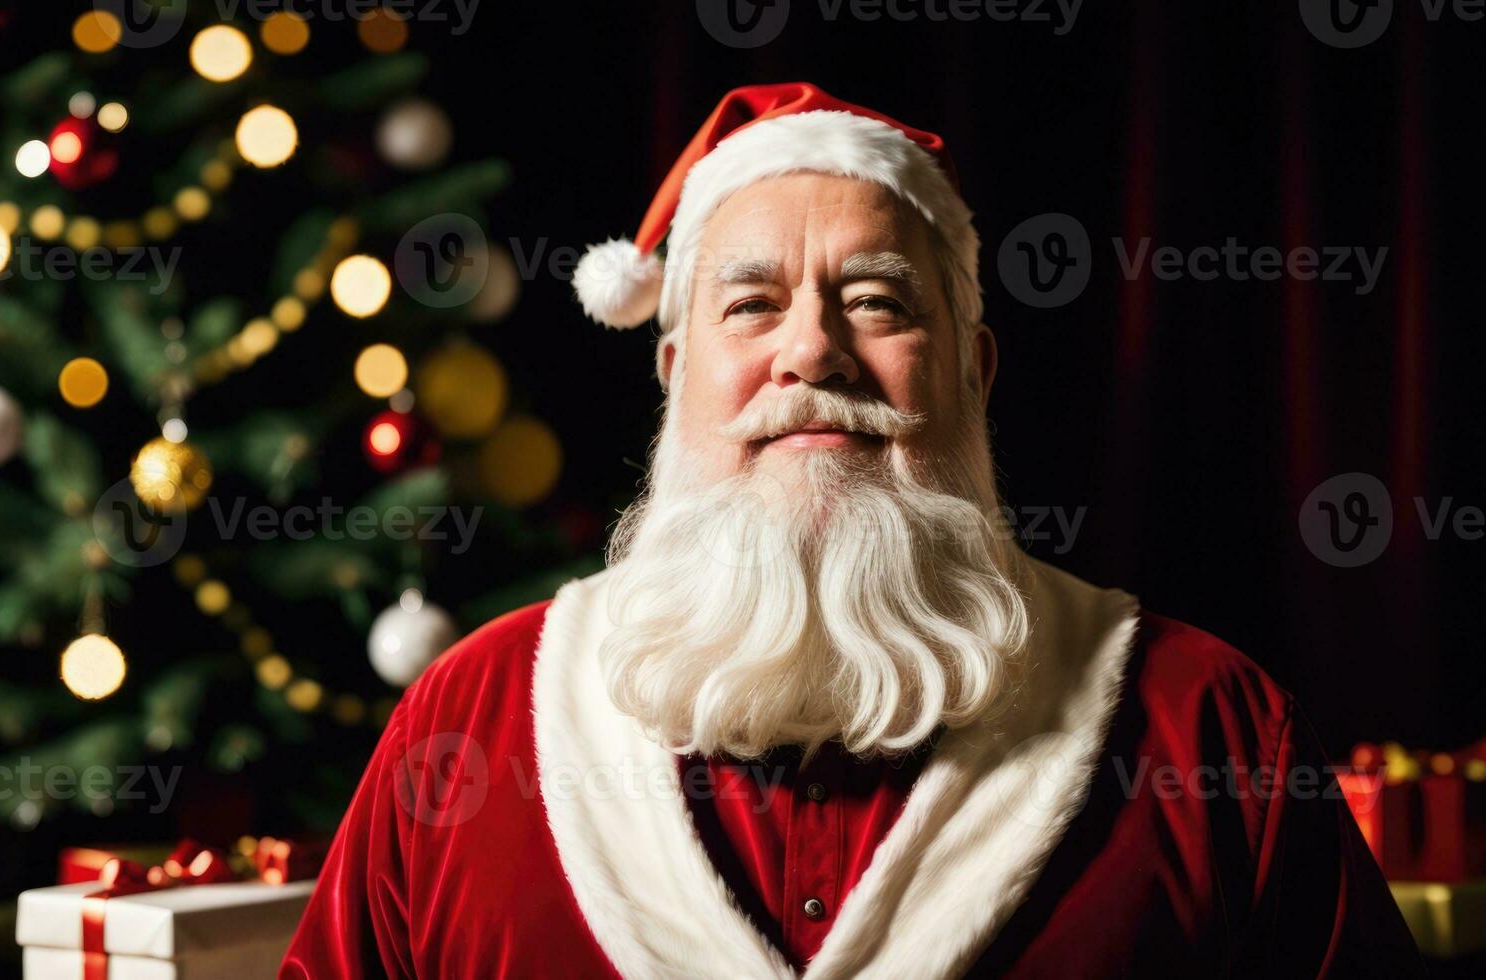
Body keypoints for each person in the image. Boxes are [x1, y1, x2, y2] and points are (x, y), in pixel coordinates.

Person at [281, 82, 1420, 978]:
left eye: (875, 300)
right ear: (675, 373)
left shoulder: (1206, 725)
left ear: (971, 371)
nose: (811, 352)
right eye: (751, 303)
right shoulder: (470, 715)